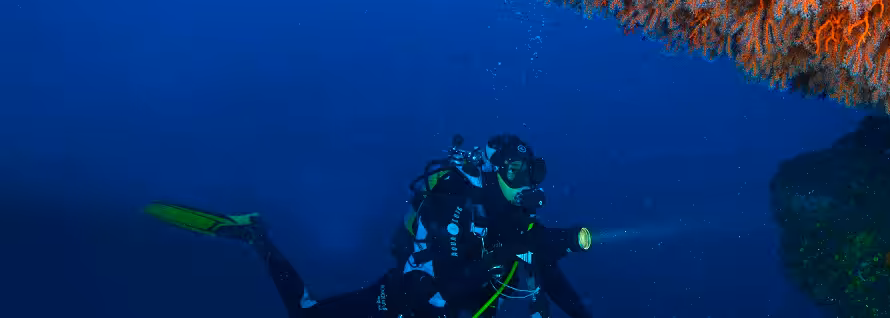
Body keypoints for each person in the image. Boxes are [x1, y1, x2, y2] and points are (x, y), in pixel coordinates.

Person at [145, 134, 592, 318]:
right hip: (397, 301)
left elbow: (551, 275)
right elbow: (448, 281)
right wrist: (503, 255)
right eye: (516, 172)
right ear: (494, 171)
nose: (526, 185)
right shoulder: (453, 200)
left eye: (532, 173)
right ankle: (256, 237)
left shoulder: (515, 224)